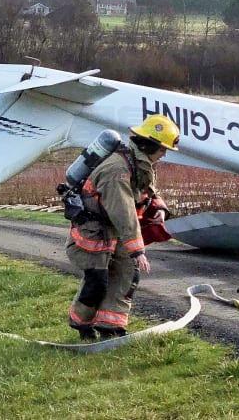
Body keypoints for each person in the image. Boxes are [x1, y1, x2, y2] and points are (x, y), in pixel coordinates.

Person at [66, 114, 180, 340]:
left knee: (127, 274)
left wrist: (159, 207)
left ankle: (111, 328)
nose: (164, 154)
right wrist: (138, 250)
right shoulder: (116, 170)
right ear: (150, 146)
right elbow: (123, 210)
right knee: (97, 283)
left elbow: (146, 190)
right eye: (163, 149)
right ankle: (81, 325)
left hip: (116, 230)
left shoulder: (139, 163)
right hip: (95, 231)